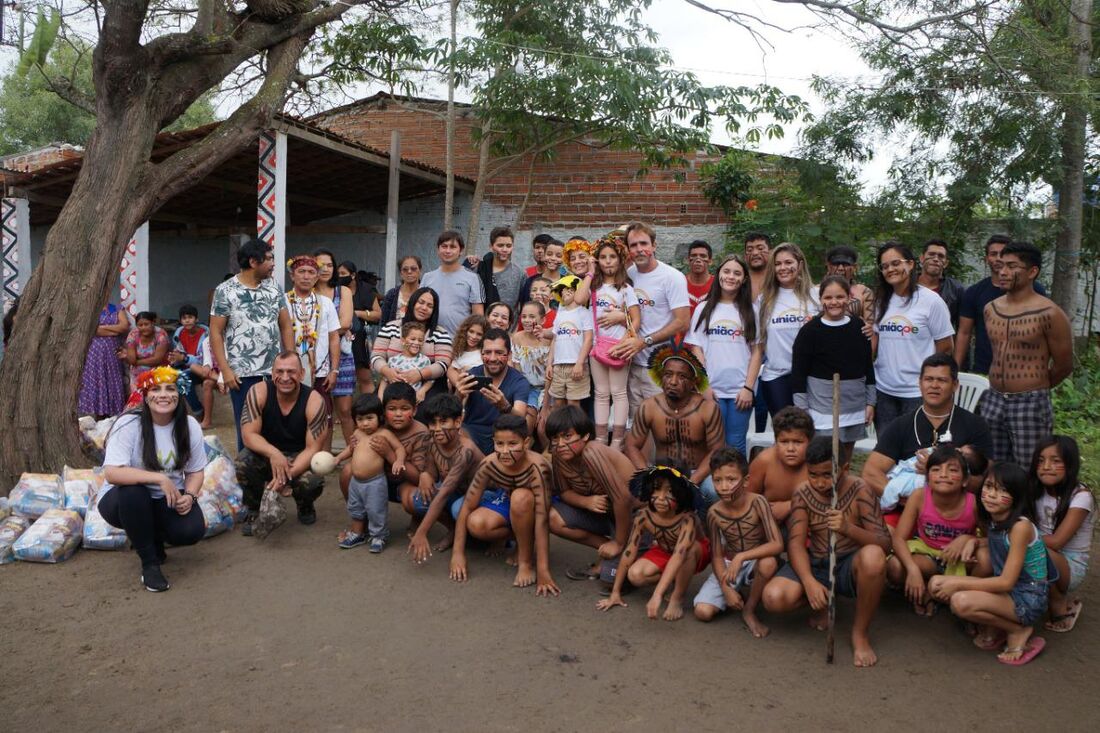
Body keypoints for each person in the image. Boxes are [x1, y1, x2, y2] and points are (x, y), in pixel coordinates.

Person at [762, 436, 891, 667]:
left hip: (848, 564)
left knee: (874, 558)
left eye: (827, 475)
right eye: (813, 474)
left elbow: (884, 543)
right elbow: (795, 544)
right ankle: (823, 599)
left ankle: (860, 633)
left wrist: (847, 528)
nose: (820, 483)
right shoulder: (802, 493)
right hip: (816, 561)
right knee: (774, 599)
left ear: (845, 468)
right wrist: (809, 581)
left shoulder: (860, 489)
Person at [928, 462, 1050, 666]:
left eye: (1002, 490)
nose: (992, 495)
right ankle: (1000, 626)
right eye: (989, 486)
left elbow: (1006, 582)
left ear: (1017, 496)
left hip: (1028, 598)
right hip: (1010, 593)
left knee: (960, 601)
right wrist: (973, 539)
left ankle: (1017, 630)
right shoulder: (995, 519)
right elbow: (1000, 543)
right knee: (934, 583)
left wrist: (958, 583)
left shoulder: (1021, 526)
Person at [99, 367, 206, 592]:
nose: (163, 395)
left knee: (192, 530)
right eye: (155, 389)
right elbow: (112, 473)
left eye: (170, 389)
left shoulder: (190, 426)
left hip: (167, 498)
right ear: (146, 396)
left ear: (181, 393)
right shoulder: (129, 423)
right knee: (133, 492)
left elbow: (196, 471)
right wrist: (158, 478)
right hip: (124, 500)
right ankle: (150, 564)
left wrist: (190, 496)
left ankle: (153, 539)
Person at [977, 240, 1072, 466]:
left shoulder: (1050, 313)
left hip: (1030, 403)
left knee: (1031, 466)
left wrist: (1035, 388)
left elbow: (1064, 365)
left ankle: (1031, 503)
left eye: (1011, 266)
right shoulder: (991, 309)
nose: (1003, 272)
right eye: (1001, 266)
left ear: (1032, 272)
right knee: (993, 465)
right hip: (993, 398)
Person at [448, 415, 558, 596]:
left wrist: (543, 570)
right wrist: (457, 554)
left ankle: (525, 560)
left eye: (512, 444)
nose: (505, 451)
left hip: (535, 504)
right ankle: (514, 536)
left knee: (520, 497)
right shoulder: (489, 464)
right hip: (509, 500)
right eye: (499, 444)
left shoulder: (537, 468)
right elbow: (467, 506)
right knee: (475, 523)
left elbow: (542, 519)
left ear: (526, 442)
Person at [862, 354, 993, 499]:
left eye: (942, 380)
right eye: (929, 379)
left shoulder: (975, 425)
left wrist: (938, 472)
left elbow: (986, 480)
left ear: (955, 385)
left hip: (956, 509)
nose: (934, 385)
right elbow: (871, 472)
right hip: (905, 505)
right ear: (920, 383)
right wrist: (905, 501)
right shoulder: (901, 425)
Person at [596, 464, 710, 621]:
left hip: (695, 553)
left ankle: (677, 597)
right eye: (656, 489)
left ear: (681, 494)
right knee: (635, 575)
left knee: (688, 551)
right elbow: (629, 551)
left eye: (669, 491)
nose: (661, 497)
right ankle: (673, 578)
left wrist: (657, 595)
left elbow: (679, 555)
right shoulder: (643, 516)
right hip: (665, 550)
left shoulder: (687, 518)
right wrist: (615, 592)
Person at [209, 238, 292, 450]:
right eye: (269, 259)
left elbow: (285, 325)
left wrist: (291, 360)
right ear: (254, 261)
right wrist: (225, 371)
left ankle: (277, 475)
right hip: (242, 375)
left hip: (275, 372)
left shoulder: (274, 287)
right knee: (247, 428)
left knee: (276, 426)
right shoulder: (225, 290)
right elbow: (216, 333)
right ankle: (249, 478)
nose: (274, 263)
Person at [235, 351, 330, 532]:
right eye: (280, 371)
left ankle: (305, 505)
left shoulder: (314, 400)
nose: (285, 377)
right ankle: (253, 509)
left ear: (302, 374)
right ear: (272, 373)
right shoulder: (258, 391)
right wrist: (274, 453)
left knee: (314, 480)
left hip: (299, 457)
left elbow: (313, 448)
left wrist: (283, 477)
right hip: (266, 454)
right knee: (242, 463)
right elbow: (249, 435)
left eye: (291, 372)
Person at [692, 448, 782, 637]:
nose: (724, 486)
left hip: (754, 562)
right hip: (728, 562)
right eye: (717, 480)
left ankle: (749, 610)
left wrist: (742, 556)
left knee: (768, 563)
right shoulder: (714, 513)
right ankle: (734, 593)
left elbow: (777, 544)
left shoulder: (758, 502)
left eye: (731, 479)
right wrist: (726, 590)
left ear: (746, 480)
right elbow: (716, 554)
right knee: (702, 612)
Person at [885, 444, 979, 616]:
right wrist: (913, 570)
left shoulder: (973, 503)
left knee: (985, 559)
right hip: (927, 554)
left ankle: (965, 600)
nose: (943, 475)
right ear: (927, 478)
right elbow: (898, 539)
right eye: (936, 469)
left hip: (959, 559)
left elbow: (991, 539)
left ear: (965, 480)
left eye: (952, 470)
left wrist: (968, 539)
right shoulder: (919, 496)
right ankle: (927, 586)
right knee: (895, 566)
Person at [608, 222, 691, 416]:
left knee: (660, 423)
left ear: (654, 246)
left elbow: (682, 321)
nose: (639, 249)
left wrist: (644, 342)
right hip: (629, 363)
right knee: (635, 424)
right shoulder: (628, 275)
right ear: (628, 250)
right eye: (634, 245)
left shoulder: (672, 277)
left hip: (658, 367)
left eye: (644, 244)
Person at [871, 241, 954, 433]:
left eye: (895, 263)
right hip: (884, 392)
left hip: (917, 393)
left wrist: (928, 379)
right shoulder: (881, 300)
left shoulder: (931, 301)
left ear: (910, 264)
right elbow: (875, 341)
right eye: (884, 266)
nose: (890, 269)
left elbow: (945, 347)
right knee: (887, 452)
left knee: (917, 454)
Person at [790, 276, 875, 461]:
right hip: (821, 407)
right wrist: (802, 408)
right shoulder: (809, 331)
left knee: (845, 458)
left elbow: (868, 365)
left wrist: (870, 402)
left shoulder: (859, 327)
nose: (834, 302)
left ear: (848, 299)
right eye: (828, 298)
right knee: (823, 458)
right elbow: (798, 373)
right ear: (820, 300)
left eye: (840, 297)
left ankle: (843, 487)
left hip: (854, 405)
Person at [686, 254, 763, 457]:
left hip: (740, 392)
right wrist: (705, 385)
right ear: (718, 274)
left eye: (737, 273)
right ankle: (710, 488)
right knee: (712, 443)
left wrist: (748, 388)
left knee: (736, 443)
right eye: (726, 271)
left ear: (744, 279)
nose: (731, 276)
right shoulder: (704, 309)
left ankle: (737, 487)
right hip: (712, 391)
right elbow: (696, 349)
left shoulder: (751, 311)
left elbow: (757, 352)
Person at [544, 406, 636, 576]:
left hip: (634, 517)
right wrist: (586, 501)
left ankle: (623, 547)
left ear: (585, 435)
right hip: (606, 515)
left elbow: (624, 499)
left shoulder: (592, 452)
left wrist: (618, 542)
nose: (561, 444)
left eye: (567, 436)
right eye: (555, 438)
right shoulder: (559, 454)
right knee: (551, 518)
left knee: (613, 578)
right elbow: (564, 493)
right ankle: (606, 548)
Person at [625, 346, 724, 501]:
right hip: (663, 473)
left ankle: (704, 523)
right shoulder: (649, 406)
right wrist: (648, 475)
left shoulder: (708, 409)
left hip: (698, 473)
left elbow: (716, 451)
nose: (673, 382)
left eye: (682, 376)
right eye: (668, 375)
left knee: (712, 490)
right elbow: (632, 445)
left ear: (693, 382)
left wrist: (692, 482)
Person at [571, 237, 639, 450]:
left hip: (619, 346)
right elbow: (579, 299)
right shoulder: (594, 288)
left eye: (612, 257)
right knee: (601, 393)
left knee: (618, 393)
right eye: (602, 257)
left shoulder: (626, 288)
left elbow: (636, 320)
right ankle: (601, 438)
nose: (608, 261)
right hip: (597, 347)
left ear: (620, 261)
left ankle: (617, 440)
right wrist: (590, 271)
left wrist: (624, 333)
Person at [406, 393, 485, 563]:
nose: (437, 428)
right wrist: (426, 475)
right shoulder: (433, 442)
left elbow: (444, 493)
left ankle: (491, 538)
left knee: (457, 507)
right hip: (458, 493)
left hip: (485, 496)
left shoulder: (466, 450)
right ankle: (454, 530)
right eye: (433, 423)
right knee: (419, 498)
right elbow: (431, 470)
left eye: (443, 422)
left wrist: (422, 532)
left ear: (457, 422)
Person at [955, 234, 1049, 374]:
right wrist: (955, 370)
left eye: (1003, 254)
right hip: (984, 370)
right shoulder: (974, 292)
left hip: (1023, 373)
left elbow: (1045, 336)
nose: (999, 258)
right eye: (993, 254)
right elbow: (964, 332)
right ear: (986, 259)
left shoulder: (1036, 290)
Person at [1030, 436, 1092, 632]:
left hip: (1069, 563)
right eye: (1041, 460)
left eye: (1056, 461)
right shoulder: (1034, 490)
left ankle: (1059, 604)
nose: (1046, 466)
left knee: (1035, 551)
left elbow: (1057, 542)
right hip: (1036, 549)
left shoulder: (1081, 497)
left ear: (1070, 464)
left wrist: (1018, 539)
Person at [333, 394, 406, 552]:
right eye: (360, 419)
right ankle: (358, 533)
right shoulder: (358, 433)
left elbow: (399, 448)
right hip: (356, 483)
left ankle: (379, 535)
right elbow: (350, 449)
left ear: (379, 417)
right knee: (356, 508)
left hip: (375, 482)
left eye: (369, 418)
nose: (365, 423)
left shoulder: (384, 434)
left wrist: (399, 461)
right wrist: (338, 457)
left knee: (376, 510)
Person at [756, 243, 818, 418]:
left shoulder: (816, 296)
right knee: (785, 434)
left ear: (800, 264)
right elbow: (758, 345)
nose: (783, 268)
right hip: (776, 377)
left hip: (811, 378)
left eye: (788, 262)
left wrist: (863, 326)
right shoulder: (764, 300)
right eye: (777, 264)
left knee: (811, 434)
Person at [453, 328, 530, 454]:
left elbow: (521, 421)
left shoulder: (519, 382)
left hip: (503, 435)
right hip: (471, 433)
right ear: (481, 354)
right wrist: (458, 394)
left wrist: (504, 406)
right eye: (487, 352)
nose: (493, 358)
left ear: (509, 355)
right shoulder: (472, 375)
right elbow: (453, 412)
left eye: (499, 352)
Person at [371, 287, 454, 402]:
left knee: (424, 411)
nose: (424, 308)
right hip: (393, 381)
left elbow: (443, 364)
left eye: (430, 306)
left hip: (429, 384)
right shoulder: (391, 327)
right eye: (421, 302)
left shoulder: (440, 333)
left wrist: (420, 375)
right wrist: (387, 372)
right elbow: (376, 356)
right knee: (376, 408)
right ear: (412, 303)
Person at [313, 249, 357, 447]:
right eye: (320, 265)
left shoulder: (343, 291)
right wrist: (331, 331)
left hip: (343, 357)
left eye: (330, 265)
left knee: (345, 411)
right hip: (315, 357)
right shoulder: (308, 293)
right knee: (322, 411)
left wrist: (320, 333)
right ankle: (324, 457)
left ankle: (355, 455)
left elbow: (346, 323)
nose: (325, 269)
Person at [746, 406, 814, 523]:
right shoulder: (764, 461)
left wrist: (790, 506)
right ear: (775, 441)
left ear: (810, 441)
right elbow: (746, 500)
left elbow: (829, 500)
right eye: (784, 442)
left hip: (807, 523)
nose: (791, 448)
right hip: (767, 522)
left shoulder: (818, 463)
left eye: (798, 442)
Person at [284, 255, 340, 391]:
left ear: (316, 278)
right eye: (301, 271)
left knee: (320, 410)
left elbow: (334, 338)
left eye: (311, 272)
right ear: (292, 276)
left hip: (320, 371)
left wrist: (334, 371)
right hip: (287, 373)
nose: (306, 277)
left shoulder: (326, 303)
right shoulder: (282, 301)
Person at [422, 230, 485, 336]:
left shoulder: (472, 278)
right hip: (430, 341)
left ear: (461, 251)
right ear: (438, 249)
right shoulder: (427, 278)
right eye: (444, 246)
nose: (448, 251)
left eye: (452, 247)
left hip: (459, 342)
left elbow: (478, 316)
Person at [546, 275, 593, 409]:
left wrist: (580, 363)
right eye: (563, 290)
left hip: (576, 365)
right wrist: (550, 364)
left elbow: (588, 339)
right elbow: (555, 339)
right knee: (558, 403)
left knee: (574, 403)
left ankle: (576, 430)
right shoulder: (560, 314)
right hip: (558, 366)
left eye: (570, 290)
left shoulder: (584, 313)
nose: (565, 292)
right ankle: (560, 430)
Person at [79, 301, 130, 419]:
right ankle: (99, 415)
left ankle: (113, 415)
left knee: (113, 378)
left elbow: (124, 326)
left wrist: (103, 327)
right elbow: (93, 330)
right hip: (94, 353)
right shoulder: (89, 308)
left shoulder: (117, 308)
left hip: (113, 352)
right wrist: (114, 330)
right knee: (97, 379)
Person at [170, 304, 215, 428]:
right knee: (169, 376)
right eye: (184, 318)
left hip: (204, 368)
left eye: (190, 317)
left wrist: (184, 358)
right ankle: (175, 417)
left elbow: (203, 360)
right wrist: (175, 359)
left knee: (182, 378)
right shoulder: (178, 334)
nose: (187, 320)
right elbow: (179, 353)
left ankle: (199, 412)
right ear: (180, 321)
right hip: (187, 367)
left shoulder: (205, 334)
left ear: (197, 319)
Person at [510, 302, 551, 435]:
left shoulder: (549, 340)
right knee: (527, 420)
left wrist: (544, 408)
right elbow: (517, 370)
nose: (527, 320)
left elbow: (551, 374)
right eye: (524, 316)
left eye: (532, 316)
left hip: (549, 388)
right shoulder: (517, 338)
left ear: (543, 319)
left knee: (543, 429)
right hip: (528, 388)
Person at [342, 261, 381, 395]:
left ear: (353, 275)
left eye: (343, 273)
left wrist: (357, 313)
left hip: (360, 339)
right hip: (340, 337)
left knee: (364, 376)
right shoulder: (336, 290)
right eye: (338, 274)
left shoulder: (366, 290)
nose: (340, 277)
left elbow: (377, 314)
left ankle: (369, 408)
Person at [469, 226, 527, 310]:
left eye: (508, 246)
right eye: (500, 245)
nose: (505, 249)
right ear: (491, 246)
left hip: (509, 322)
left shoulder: (520, 274)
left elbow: (524, 305)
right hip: (483, 321)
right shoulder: (478, 269)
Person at [378, 321, 433, 402]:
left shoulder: (424, 360)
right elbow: (384, 381)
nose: (416, 343)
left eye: (420, 340)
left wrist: (422, 391)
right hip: (393, 400)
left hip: (413, 401)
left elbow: (430, 380)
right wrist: (380, 398)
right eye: (413, 339)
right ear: (403, 340)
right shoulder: (393, 360)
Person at [917, 239, 965, 329]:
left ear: (946, 263)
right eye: (931, 254)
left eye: (941, 256)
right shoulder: (906, 285)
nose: (935, 259)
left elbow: (962, 328)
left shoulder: (956, 290)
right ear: (922, 258)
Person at [823, 245, 873, 322]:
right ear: (829, 266)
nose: (841, 268)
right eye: (836, 264)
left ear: (855, 267)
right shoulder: (815, 291)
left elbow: (870, 326)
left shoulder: (864, 292)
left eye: (846, 264)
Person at [122, 311, 170, 390]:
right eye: (140, 325)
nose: (144, 327)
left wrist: (137, 362)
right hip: (137, 374)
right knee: (137, 399)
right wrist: (129, 358)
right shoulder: (133, 334)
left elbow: (157, 360)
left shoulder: (161, 335)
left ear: (152, 323)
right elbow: (132, 359)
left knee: (154, 397)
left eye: (146, 324)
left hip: (157, 372)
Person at [518, 237, 564, 305]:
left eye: (558, 256)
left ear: (564, 259)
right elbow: (524, 307)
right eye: (549, 254)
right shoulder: (531, 281)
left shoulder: (568, 283)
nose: (553, 258)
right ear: (544, 255)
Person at [447, 314, 487, 389]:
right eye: (471, 331)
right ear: (465, 331)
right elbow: (452, 372)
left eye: (479, 334)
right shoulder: (459, 351)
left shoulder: (484, 353)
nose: (474, 337)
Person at [380, 255, 422, 324]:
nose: (409, 272)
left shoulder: (426, 294)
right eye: (405, 269)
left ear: (420, 271)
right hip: (393, 333)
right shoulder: (392, 294)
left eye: (413, 269)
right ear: (401, 273)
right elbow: (384, 321)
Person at [685, 239, 714, 316]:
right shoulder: (679, 282)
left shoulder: (718, 284)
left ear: (710, 261)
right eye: (694, 256)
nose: (698, 259)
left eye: (703, 256)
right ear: (688, 260)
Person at [743, 232, 771, 299]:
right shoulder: (739, 280)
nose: (755, 253)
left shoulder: (779, 278)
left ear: (771, 252)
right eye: (750, 250)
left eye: (760, 248)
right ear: (745, 257)